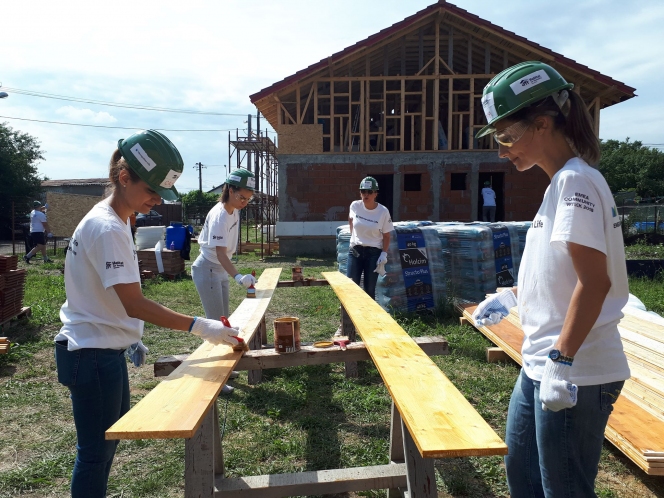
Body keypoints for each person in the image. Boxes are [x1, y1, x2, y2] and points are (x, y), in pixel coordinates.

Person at [54, 130, 243, 498]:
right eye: (152, 191)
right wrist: (200, 326)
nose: (156, 201)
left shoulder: (118, 219)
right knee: (94, 456)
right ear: (124, 178)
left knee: (104, 450)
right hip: (91, 353)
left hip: (101, 349)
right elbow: (134, 303)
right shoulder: (107, 226)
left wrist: (129, 335)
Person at [474, 61, 629, 497]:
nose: (502, 151)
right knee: (522, 477)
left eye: (507, 136)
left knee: (564, 490)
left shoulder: (575, 182)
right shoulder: (558, 184)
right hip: (540, 362)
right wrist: (511, 296)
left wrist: (562, 362)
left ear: (542, 123)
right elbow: (558, 275)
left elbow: (595, 283)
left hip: (572, 368)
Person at [191, 168, 257, 393]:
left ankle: (224, 368)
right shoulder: (219, 214)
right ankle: (213, 379)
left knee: (224, 323)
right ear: (229, 189)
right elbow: (219, 253)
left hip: (218, 269)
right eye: (241, 197)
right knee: (214, 326)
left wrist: (234, 273)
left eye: (248, 199)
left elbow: (225, 254)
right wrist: (238, 276)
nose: (244, 202)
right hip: (208, 268)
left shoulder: (234, 211)